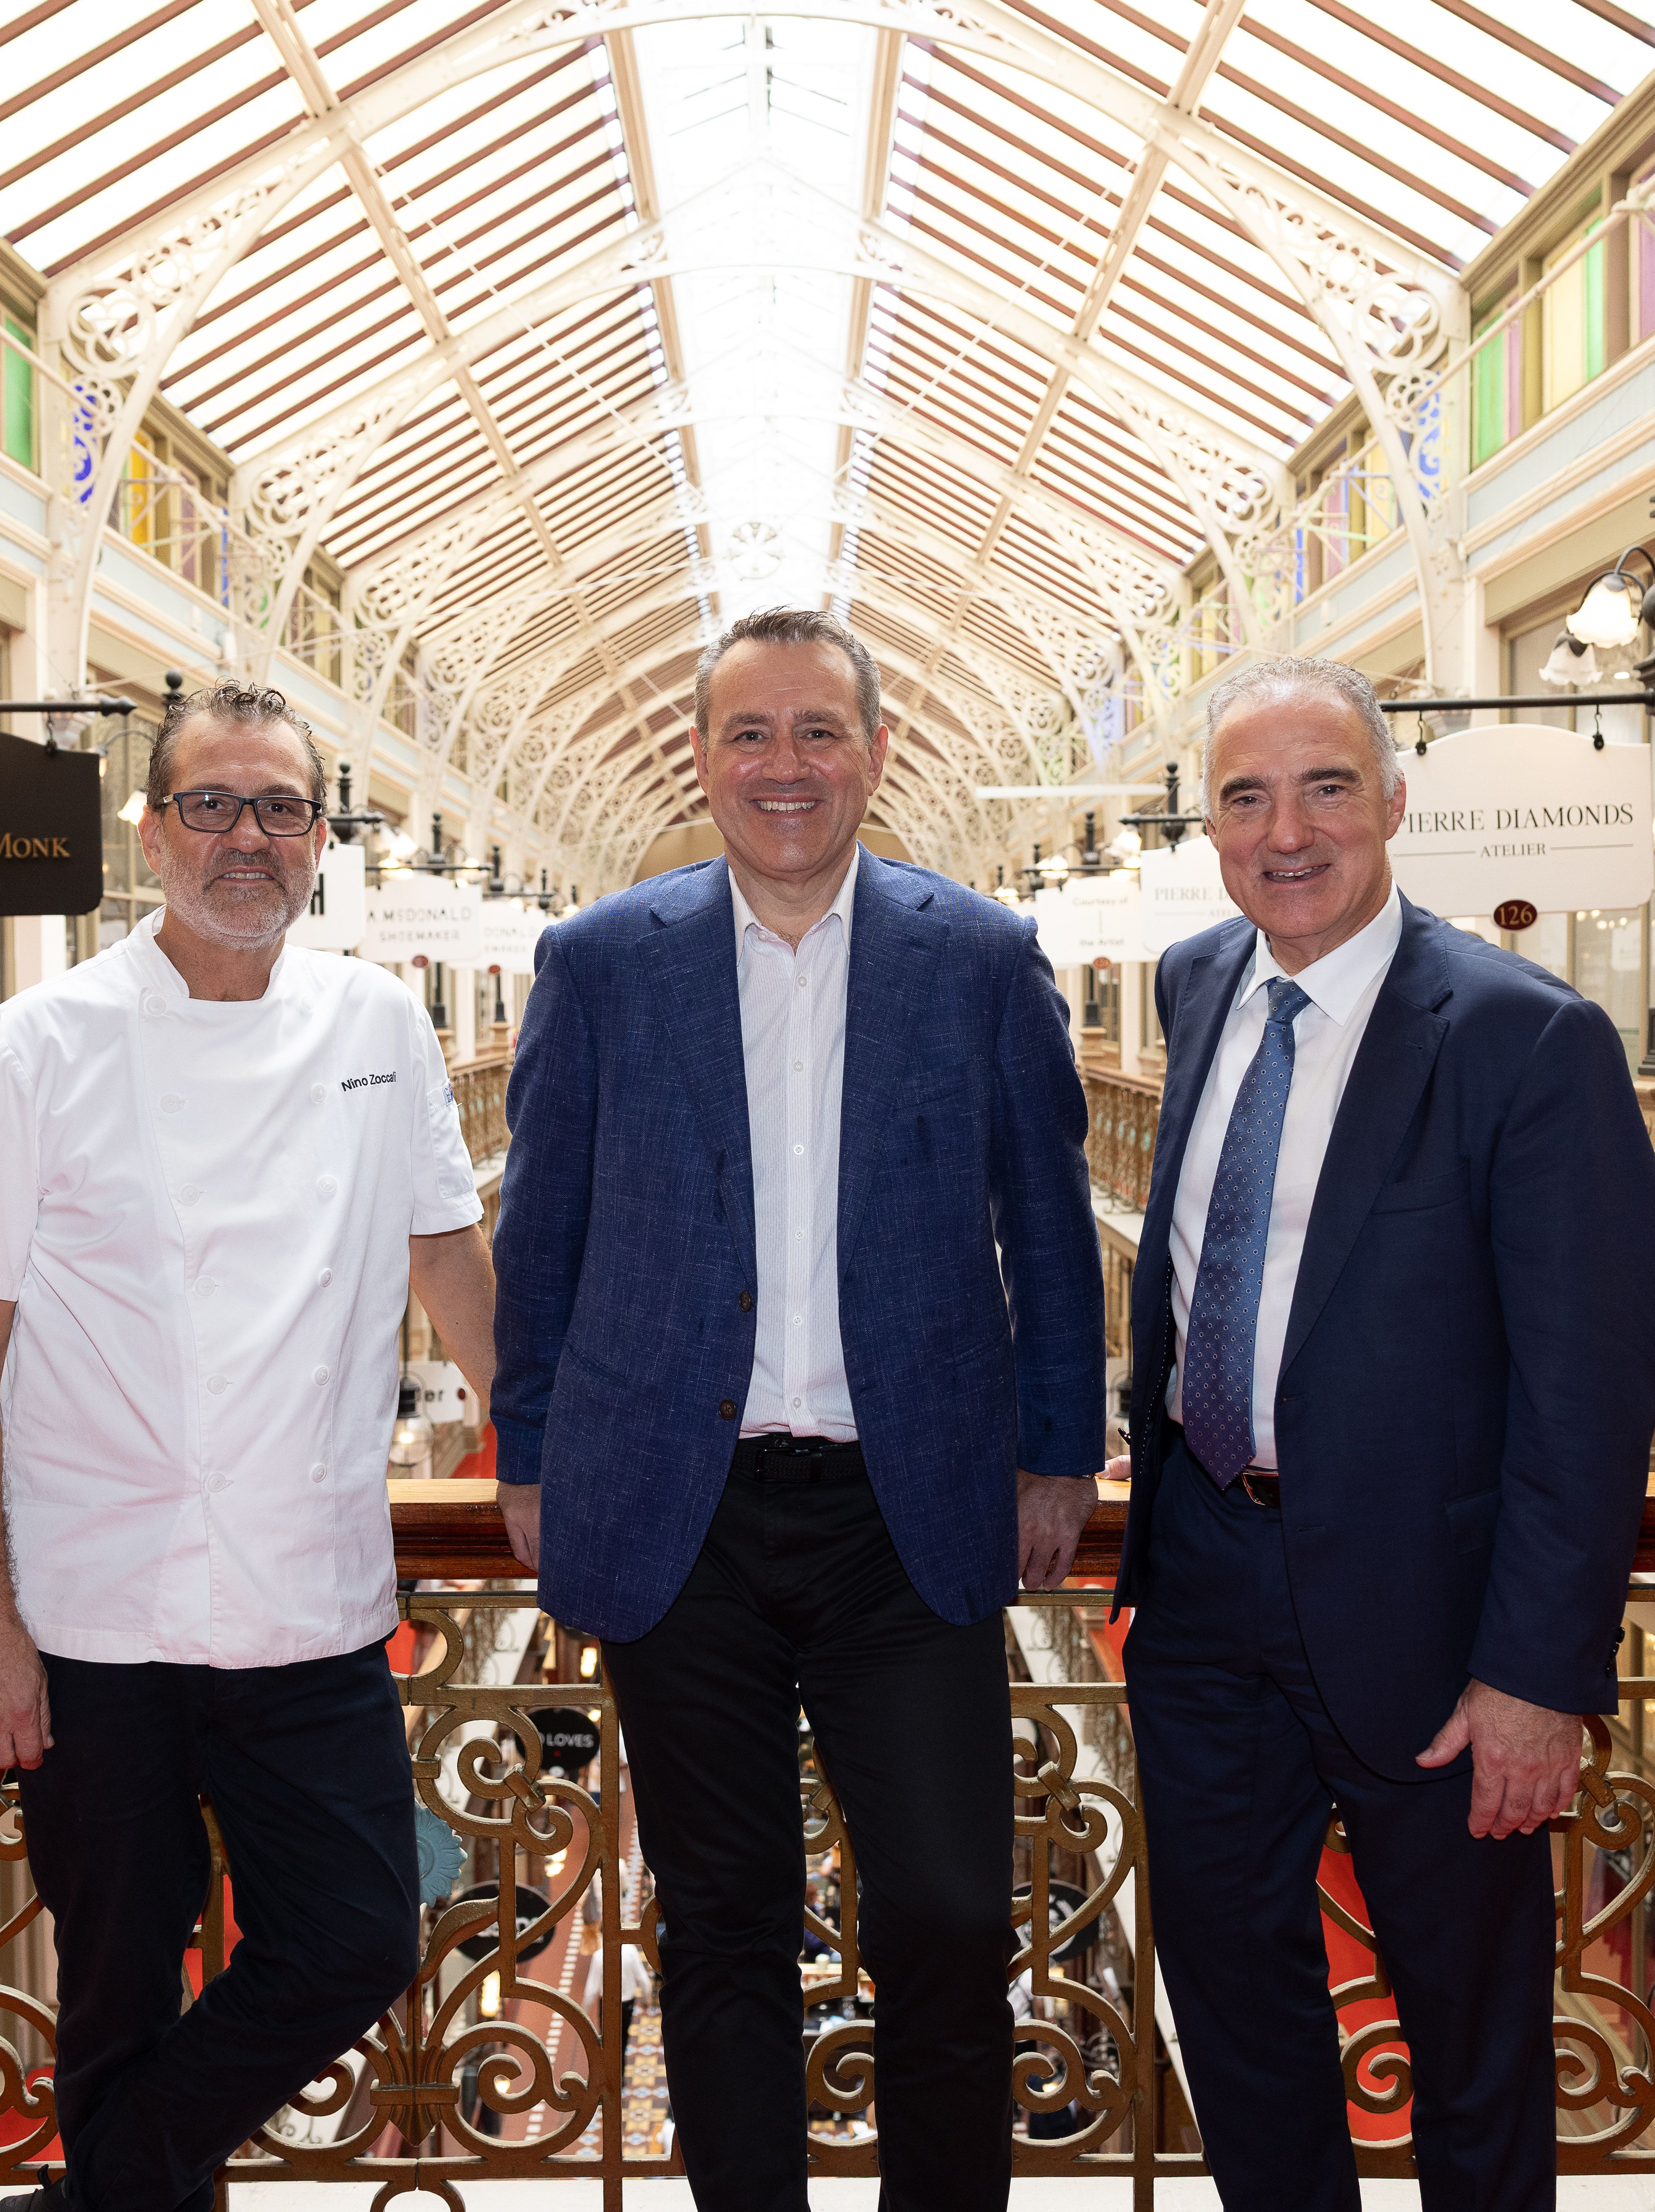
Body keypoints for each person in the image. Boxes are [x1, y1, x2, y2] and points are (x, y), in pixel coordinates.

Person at [491, 605, 1106, 2212]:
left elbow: (1046, 1228)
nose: (783, 766)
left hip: (902, 1517)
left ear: (874, 754)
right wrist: (530, 1455)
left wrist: (1057, 1447)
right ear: (698, 759)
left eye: (817, 732)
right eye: (748, 734)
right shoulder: (600, 963)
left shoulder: (973, 957)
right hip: (672, 1511)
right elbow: (536, 1235)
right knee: (722, 1922)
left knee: (954, 1919)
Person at [0, 682, 498, 2212]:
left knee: (352, 1936)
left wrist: (535, 1446)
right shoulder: (34, 1048)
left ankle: (89, 2200)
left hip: (308, 1595)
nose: (245, 835)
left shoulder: (377, 1020)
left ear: (320, 842)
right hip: (93, 1617)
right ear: (148, 837)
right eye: (210, 804)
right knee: (116, 1995)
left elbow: (446, 1257)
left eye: (279, 807)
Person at [1106, 655, 1655, 2212]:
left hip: (1433, 1629)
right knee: (1231, 2003)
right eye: (1242, 796)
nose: (1284, 830)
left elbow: (1587, 1392)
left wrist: (1535, 1677)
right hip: (1204, 1577)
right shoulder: (1195, 981)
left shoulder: (1523, 1042)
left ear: (1391, 804)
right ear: (1205, 823)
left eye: (1323, 787)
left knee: (1471, 2033)